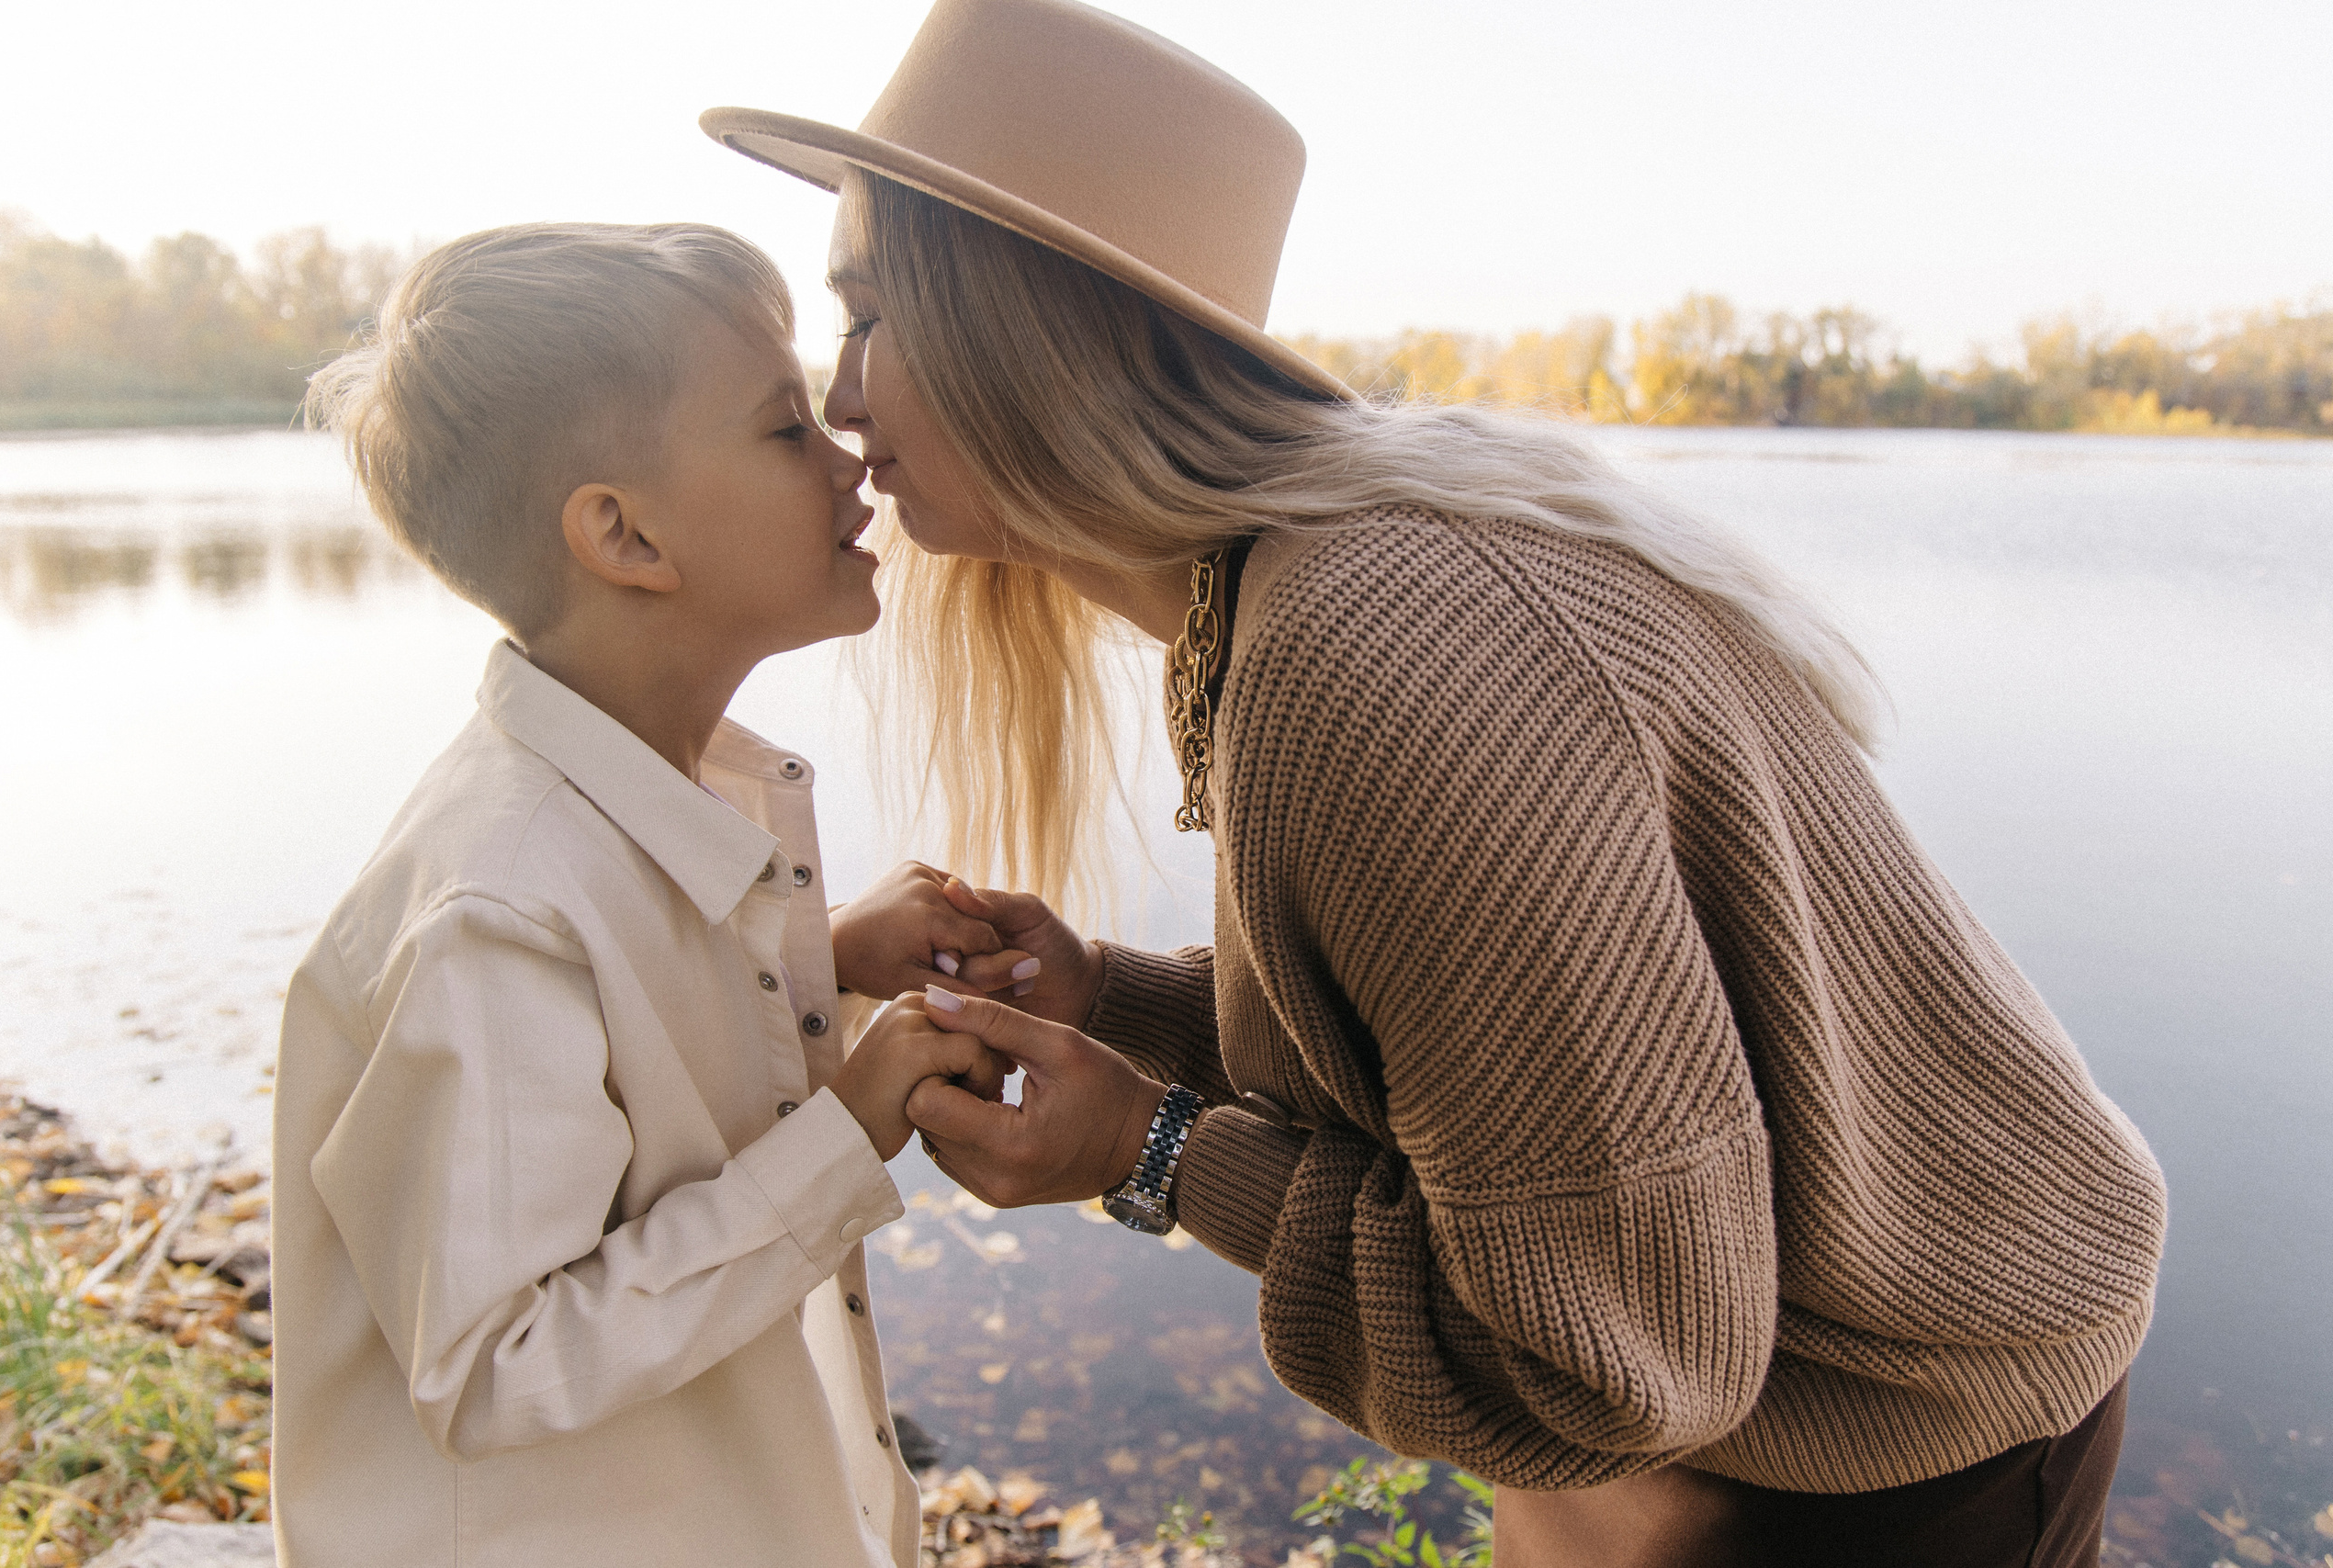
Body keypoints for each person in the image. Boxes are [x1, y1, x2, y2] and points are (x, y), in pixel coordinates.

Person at [699, 3, 2171, 1564]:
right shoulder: (1312, 582)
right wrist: (1110, 999)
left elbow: (1613, 1361)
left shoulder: (1379, 649)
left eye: (870, 317)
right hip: (1797, 1388)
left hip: (1903, 1447)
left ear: (1031, 335)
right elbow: (1479, 1076)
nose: (841, 400)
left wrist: (1153, 1151)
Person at [272, 222, 1024, 1568]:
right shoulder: (495, 916)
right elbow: (496, 1363)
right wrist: (848, 1130)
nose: (852, 459)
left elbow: (631, 1059)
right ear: (623, 535)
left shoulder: (630, 805)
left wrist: (826, 962)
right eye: (786, 428)